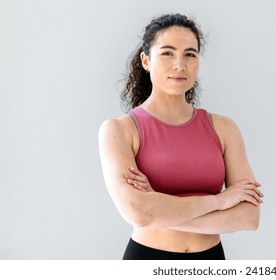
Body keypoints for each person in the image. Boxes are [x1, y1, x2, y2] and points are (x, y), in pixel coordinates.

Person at [98, 13, 263, 260]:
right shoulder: (119, 130)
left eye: (190, 54)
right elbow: (137, 213)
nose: (180, 64)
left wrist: (159, 208)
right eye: (167, 53)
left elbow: (249, 217)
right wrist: (219, 201)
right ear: (146, 60)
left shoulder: (224, 128)